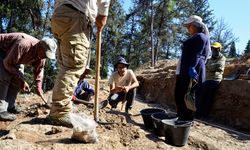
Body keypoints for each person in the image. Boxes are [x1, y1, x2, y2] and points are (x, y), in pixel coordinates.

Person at [49, 0, 110, 127]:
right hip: (76, 15)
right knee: (73, 65)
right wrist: (103, 14)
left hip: (60, 15)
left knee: (66, 65)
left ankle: (63, 106)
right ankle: (59, 112)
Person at [0, 32, 57, 121]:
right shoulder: (24, 44)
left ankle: (10, 106)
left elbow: (39, 71)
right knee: (5, 77)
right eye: (45, 53)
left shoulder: (42, 57)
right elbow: (7, 63)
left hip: (15, 57)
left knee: (17, 82)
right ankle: (1, 110)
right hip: (3, 50)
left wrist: (39, 88)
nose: (44, 56)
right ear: (40, 46)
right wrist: (22, 80)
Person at [175, 15, 210, 121]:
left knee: (186, 97)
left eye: (189, 25)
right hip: (186, 71)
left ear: (195, 25)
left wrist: (191, 67)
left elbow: (197, 55)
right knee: (181, 95)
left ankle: (185, 120)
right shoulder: (198, 37)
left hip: (190, 72)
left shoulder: (200, 37)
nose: (187, 28)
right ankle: (182, 118)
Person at [195, 42, 226, 118]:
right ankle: (198, 113)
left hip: (215, 79)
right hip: (207, 79)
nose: (214, 50)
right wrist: (210, 66)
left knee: (208, 97)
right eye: (213, 48)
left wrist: (208, 66)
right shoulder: (210, 58)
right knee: (201, 95)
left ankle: (203, 114)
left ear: (219, 49)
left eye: (216, 49)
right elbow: (208, 66)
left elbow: (217, 67)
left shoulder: (222, 58)